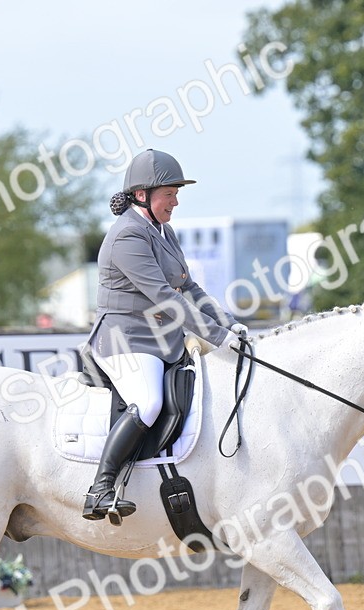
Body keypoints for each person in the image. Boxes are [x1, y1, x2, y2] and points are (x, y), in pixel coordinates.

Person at [82, 149, 247, 521]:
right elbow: (164, 296)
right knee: (148, 402)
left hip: (160, 342)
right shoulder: (127, 235)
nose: (175, 201)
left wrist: (228, 323)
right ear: (142, 195)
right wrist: (217, 337)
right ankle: (100, 488)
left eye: (176, 194)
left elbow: (188, 288)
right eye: (169, 194)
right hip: (124, 340)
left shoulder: (164, 231)